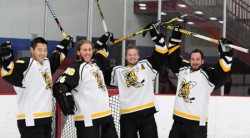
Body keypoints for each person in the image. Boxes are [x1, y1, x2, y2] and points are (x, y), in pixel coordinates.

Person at [167, 25, 234, 138]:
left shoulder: (207, 75)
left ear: (203, 61)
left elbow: (222, 73)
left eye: (198, 59)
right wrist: (176, 35)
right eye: (193, 59)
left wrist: (225, 53)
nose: (195, 62)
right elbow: (173, 57)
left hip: (197, 126)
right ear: (189, 60)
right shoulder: (182, 70)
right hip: (178, 123)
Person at [0, 36, 73, 138]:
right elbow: (9, 74)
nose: (42, 53)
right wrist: (7, 61)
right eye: (39, 50)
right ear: (31, 50)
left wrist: (66, 43)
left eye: (45, 50)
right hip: (30, 121)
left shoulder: (47, 63)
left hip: (46, 119)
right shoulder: (26, 64)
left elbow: (57, 56)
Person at [53, 32, 118, 138]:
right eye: (84, 50)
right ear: (78, 52)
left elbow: (101, 52)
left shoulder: (96, 65)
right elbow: (60, 84)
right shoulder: (77, 67)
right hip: (88, 120)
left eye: (89, 50)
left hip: (106, 117)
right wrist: (64, 94)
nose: (87, 52)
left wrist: (105, 38)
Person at [110, 23, 168, 138]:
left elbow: (162, 53)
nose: (132, 57)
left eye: (134, 54)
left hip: (147, 114)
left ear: (138, 56)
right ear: (126, 57)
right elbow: (98, 71)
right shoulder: (119, 71)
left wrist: (154, 35)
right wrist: (103, 48)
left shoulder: (146, 66)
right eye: (130, 55)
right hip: (127, 116)